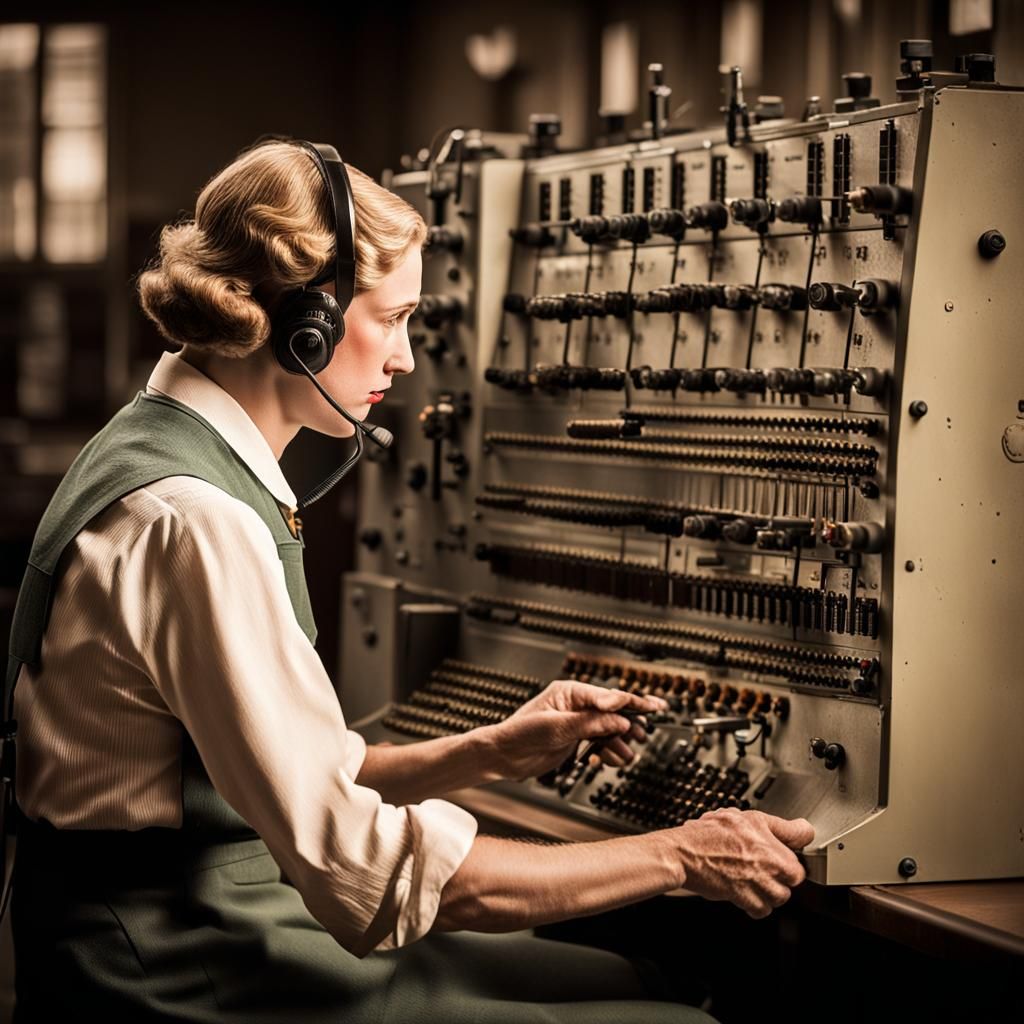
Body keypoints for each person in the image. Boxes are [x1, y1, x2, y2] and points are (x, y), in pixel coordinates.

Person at [5, 138, 814, 1023]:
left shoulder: (156, 449)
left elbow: (305, 774)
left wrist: (491, 749)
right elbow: (369, 875)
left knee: (635, 985)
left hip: (210, 914)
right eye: (392, 319)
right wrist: (684, 857)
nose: (407, 359)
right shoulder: (198, 522)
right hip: (174, 961)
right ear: (300, 321)